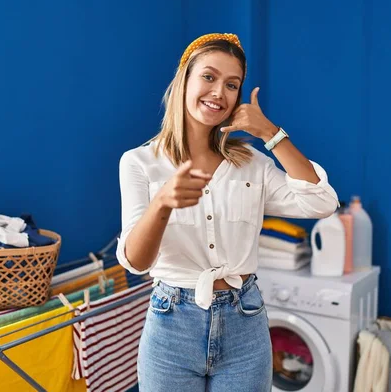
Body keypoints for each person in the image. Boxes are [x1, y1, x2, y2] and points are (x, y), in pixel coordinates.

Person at [116, 33, 339, 391]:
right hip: (171, 326)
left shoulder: (250, 163)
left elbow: (321, 201)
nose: (219, 92)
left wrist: (269, 132)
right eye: (209, 77)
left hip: (244, 323)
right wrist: (162, 203)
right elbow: (136, 262)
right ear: (184, 79)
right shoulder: (140, 163)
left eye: (231, 84)